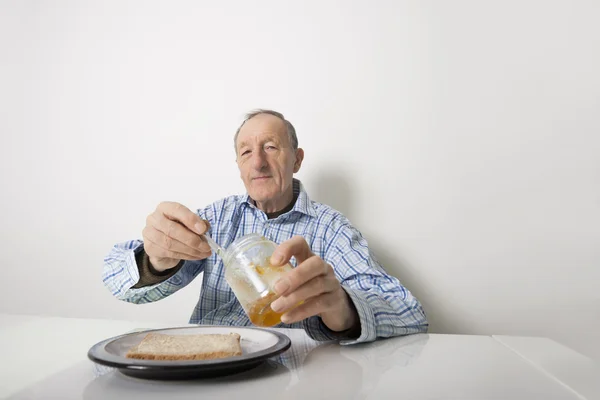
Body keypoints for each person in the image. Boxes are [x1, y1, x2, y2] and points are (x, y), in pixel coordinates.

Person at [103, 109, 427, 344]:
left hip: (291, 379)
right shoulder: (215, 221)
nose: (257, 162)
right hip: (206, 370)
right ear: (239, 166)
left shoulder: (330, 229)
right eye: (246, 152)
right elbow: (115, 280)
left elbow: (410, 314)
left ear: (297, 159)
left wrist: (343, 309)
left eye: (270, 147)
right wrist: (155, 260)